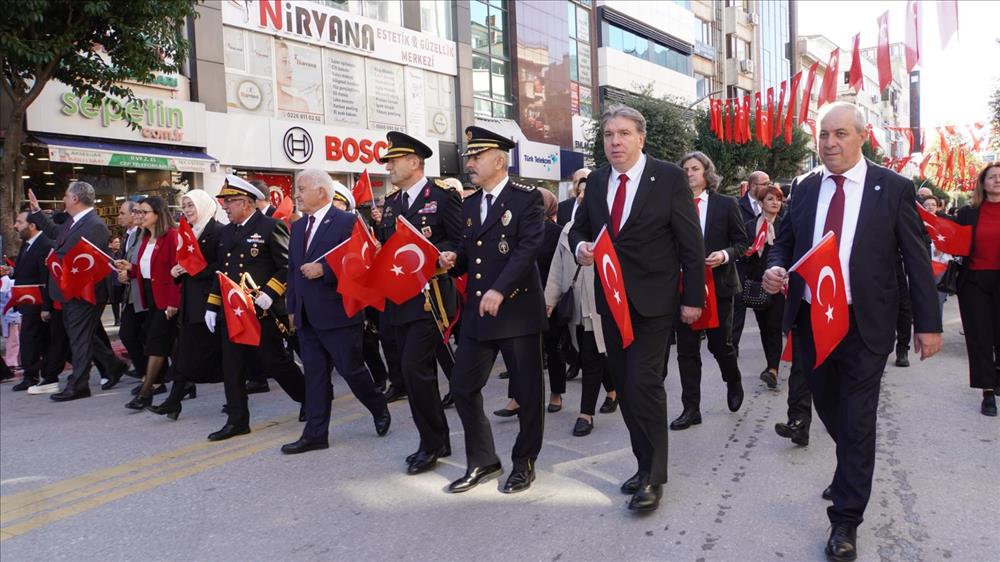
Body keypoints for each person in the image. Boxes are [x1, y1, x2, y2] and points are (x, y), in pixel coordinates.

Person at [763, 102, 942, 561]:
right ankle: (853, 468)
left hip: (865, 324)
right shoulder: (803, 187)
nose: (829, 144)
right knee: (828, 407)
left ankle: (846, 520)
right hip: (811, 321)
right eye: (823, 135)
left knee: (858, 418)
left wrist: (928, 324)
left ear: (862, 136)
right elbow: (783, 240)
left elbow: (915, 259)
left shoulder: (894, 188)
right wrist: (777, 266)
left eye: (839, 134)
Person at [569, 106, 705, 512]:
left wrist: (692, 298)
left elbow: (690, 243)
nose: (615, 142)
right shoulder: (595, 182)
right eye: (608, 135)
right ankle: (643, 462)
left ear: (640, 138)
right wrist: (581, 247)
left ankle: (653, 478)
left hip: (654, 304)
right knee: (626, 387)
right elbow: (580, 227)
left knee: (644, 383)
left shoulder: (667, 178)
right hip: (610, 302)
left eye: (624, 134)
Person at [437, 126, 547, 494]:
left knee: (528, 394)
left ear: (499, 160)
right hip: (479, 315)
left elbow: (527, 249)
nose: (469, 163)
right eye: (469, 157)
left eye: (476, 157)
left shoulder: (526, 199)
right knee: (463, 387)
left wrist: (501, 289)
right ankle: (483, 461)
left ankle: (524, 461)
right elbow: (472, 256)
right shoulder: (469, 204)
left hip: (516, 312)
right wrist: (454, 259)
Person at [281, 169, 391, 454]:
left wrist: (326, 270)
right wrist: (292, 308)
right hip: (307, 315)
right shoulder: (297, 228)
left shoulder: (347, 222)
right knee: (315, 376)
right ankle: (316, 434)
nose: (297, 195)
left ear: (321, 191)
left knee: (351, 370)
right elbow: (292, 271)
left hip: (339, 313)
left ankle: (378, 407)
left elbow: (364, 261)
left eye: (302, 188)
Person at [374, 131, 460, 473]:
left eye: (394, 161)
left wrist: (448, 254)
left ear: (414, 162)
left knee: (414, 369)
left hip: (431, 300)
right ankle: (436, 439)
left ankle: (432, 444)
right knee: (414, 375)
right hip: (400, 301)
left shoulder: (441, 196)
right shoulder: (392, 203)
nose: (389, 167)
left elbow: (459, 237)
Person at [203, 175, 306, 441]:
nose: (225, 207)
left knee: (275, 362)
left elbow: (287, 267)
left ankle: (309, 398)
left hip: (262, 311)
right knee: (232, 365)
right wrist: (212, 305)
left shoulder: (270, 227)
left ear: (246, 203)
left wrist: (271, 293)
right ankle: (237, 420)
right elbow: (222, 273)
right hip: (234, 311)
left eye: (230, 202)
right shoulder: (226, 233)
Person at [26, 185, 129, 401]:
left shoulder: (94, 224)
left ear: (74, 198)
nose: (63, 199)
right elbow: (56, 234)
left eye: (65, 195)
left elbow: (76, 256)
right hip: (71, 290)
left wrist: (56, 258)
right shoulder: (76, 221)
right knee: (83, 335)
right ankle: (113, 365)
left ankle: (79, 385)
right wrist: (36, 211)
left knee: (79, 336)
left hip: (85, 291)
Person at [671, 151, 748, 431]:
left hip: (718, 285)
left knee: (719, 344)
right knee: (687, 351)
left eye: (694, 168)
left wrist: (724, 255)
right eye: (685, 169)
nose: (689, 173)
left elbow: (742, 242)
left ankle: (733, 378)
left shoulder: (725, 204)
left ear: (706, 173)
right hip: (682, 285)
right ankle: (691, 408)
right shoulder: (673, 204)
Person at [544, 196, 617, 437]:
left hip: (600, 304)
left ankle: (586, 414)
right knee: (592, 350)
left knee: (590, 355)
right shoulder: (567, 231)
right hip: (574, 302)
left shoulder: (614, 229)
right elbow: (557, 268)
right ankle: (613, 390)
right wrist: (549, 301)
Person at [148, 190, 223, 420]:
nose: (187, 211)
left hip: (211, 304)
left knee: (223, 357)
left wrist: (195, 270)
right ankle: (174, 400)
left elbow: (221, 267)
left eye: (191, 206)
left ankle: (235, 400)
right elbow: (185, 265)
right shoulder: (187, 232)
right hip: (190, 305)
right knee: (185, 354)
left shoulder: (218, 232)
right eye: (184, 207)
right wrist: (177, 272)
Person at [496, 188, 565, 417]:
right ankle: (516, 397)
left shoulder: (556, 232)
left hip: (548, 299)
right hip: (521, 298)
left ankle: (556, 393)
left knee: (553, 349)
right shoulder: (516, 229)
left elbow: (559, 269)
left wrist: (551, 299)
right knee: (521, 352)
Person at [113, 197, 180, 410]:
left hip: (166, 298)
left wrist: (173, 301)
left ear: (158, 214)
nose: (139, 216)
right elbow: (148, 269)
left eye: (144, 212)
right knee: (167, 345)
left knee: (156, 344)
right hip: (148, 297)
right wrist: (130, 270)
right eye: (138, 212)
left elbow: (176, 272)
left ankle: (146, 392)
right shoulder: (145, 237)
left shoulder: (171, 236)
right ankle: (184, 383)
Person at [954, 162, 1000, 417]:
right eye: (992, 177)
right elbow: (949, 237)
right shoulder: (968, 213)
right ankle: (988, 391)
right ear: (983, 184)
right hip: (975, 282)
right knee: (980, 338)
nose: (997, 180)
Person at [739, 185, 786, 389]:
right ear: (760, 203)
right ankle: (770, 364)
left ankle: (773, 369)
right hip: (757, 284)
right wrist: (748, 252)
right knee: (764, 327)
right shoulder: (750, 227)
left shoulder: (785, 225)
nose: (775, 203)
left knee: (774, 326)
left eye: (778, 199)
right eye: (770, 199)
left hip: (779, 284)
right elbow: (740, 253)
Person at [6, 211, 54, 392]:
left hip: (38, 302)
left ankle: (34, 375)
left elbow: (46, 277)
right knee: (33, 339)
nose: (15, 226)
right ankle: (33, 374)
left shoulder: (44, 245)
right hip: (27, 302)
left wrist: (46, 307)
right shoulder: (27, 244)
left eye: (19, 222)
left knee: (33, 339)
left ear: (32, 226)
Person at [732, 170, 770, 356]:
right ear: (753, 185)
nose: (767, 187)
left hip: (763, 269)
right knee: (736, 311)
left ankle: (771, 361)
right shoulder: (737, 206)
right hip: (741, 267)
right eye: (764, 183)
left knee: (765, 314)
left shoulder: (771, 204)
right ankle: (732, 351)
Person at [108, 236, 124, 325]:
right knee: (115, 301)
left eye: (118, 242)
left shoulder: (121, 253)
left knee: (122, 300)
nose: (118, 244)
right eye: (116, 242)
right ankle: (117, 319)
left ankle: (122, 319)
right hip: (112, 281)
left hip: (121, 279)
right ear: (110, 244)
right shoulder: (107, 254)